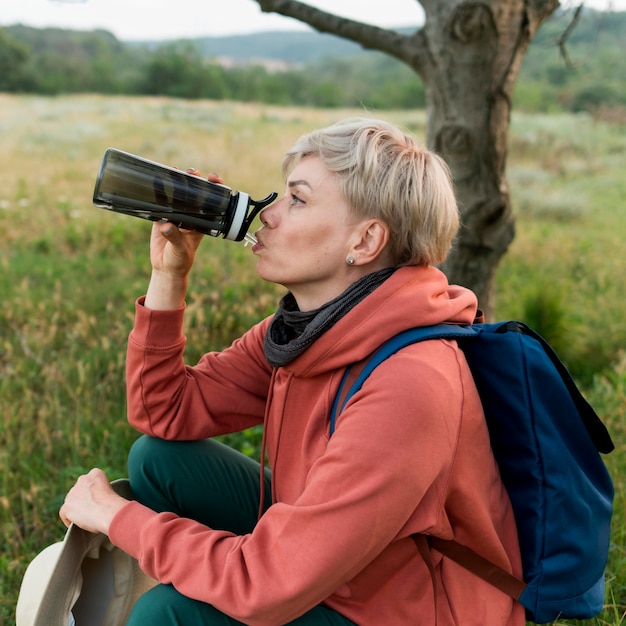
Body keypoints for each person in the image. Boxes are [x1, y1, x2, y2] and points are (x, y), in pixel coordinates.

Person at [60, 118, 524, 625]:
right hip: (340, 558)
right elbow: (162, 411)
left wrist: (116, 517)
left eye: (297, 200)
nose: (268, 215)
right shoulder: (309, 329)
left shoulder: (411, 382)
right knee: (159, 458)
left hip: (413, 609)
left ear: (365, 241)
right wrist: (168, 276)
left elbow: (267, 585)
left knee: (166, 616)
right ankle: (210, 572)